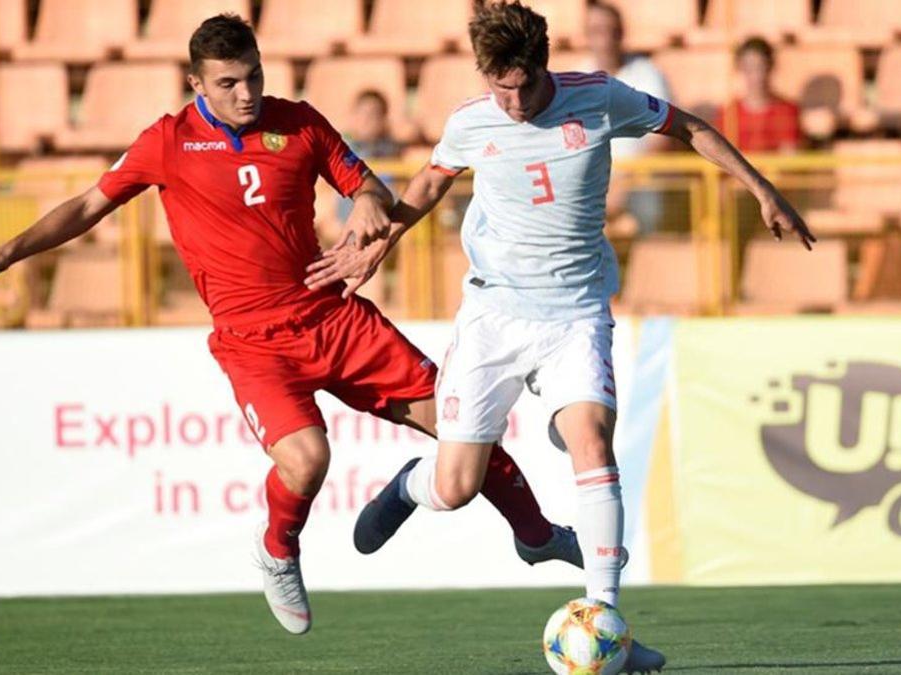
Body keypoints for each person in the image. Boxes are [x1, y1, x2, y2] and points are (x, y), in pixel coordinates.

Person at [0, 14, 583, 636]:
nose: (247, 93)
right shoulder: (167, 142)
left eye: (254, 76)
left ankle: (535, 535)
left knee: (461, 427)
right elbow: (89, 205)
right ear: (196, 83)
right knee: (308, 460)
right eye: (228, 83)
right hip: (253, 342)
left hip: (333, 316)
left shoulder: (300, 122)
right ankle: (278, 549)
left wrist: (365, 206)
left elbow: (367, 186)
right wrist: (4, 255)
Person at [303, 2, 814, 671]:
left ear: (544, 65)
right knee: (456, 485)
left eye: (520, 85)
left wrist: (762, 188)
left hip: (574, 312)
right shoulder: (472, 119)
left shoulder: (597, 98)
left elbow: (686, 126)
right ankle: (409, 486)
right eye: (498, 86)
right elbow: (430, 181)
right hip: (493, 315)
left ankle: (608, 622)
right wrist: (381, 244)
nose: (511, 101)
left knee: (591, 436)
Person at [579, 0, 673, 234]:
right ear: (587, 36)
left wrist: (624, 185)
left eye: (611, 31)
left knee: (649, 208)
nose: (605, 39)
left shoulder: (648, 74)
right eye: (597, 31)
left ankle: (649, 269)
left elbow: (661, 139)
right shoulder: (577, 80)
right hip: (590, 182)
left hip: (641, 181)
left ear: (621, 33)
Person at [714, 38, 800, 153]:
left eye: (761, 67)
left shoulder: (787, 111)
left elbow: (789, 161)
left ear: (770, 66)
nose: (756, 75)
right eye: (749, 68)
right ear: (740, 68)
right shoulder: (728, 114)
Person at [335, 89, 402, 226]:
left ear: (384, 118)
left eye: (373, 114)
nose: (366, 120)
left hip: (385, 227)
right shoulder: (340, 149)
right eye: (362, 113)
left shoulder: (393, 152)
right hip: (345, 228)